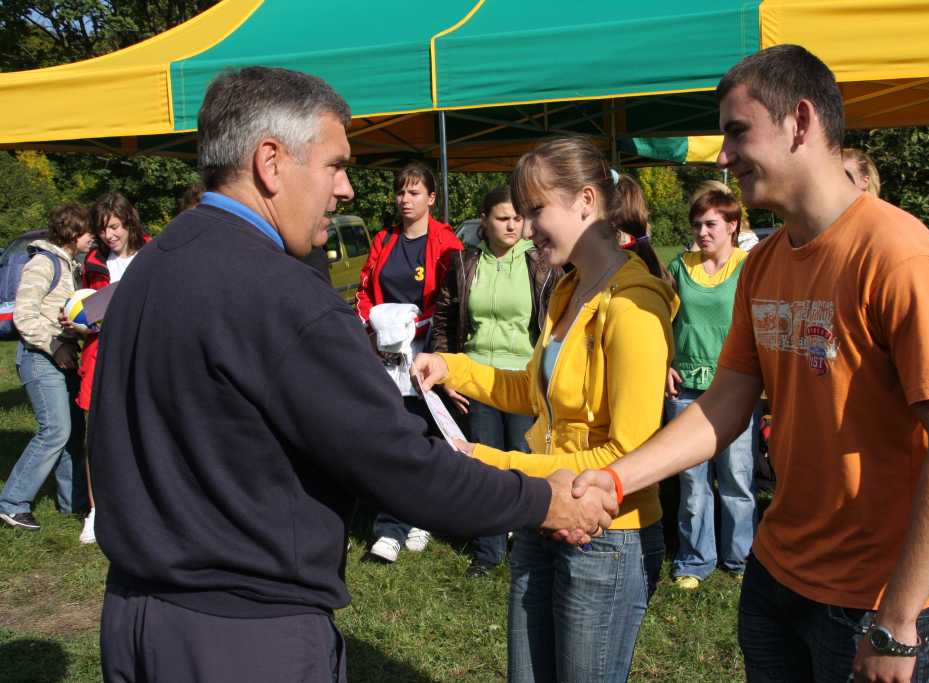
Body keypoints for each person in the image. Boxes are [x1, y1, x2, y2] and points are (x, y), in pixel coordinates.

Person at [90, 66, 615, 682]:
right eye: (335, 165)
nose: (346, 191)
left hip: (133, 620)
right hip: (245, 638)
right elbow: (400, 465)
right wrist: (542, 500)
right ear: (270, 161)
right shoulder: (286, 296)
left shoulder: (148, 270)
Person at [569, 45, 929, 683]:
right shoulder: (763, 262)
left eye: (737, 132)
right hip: (776, 572)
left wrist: (899, 621)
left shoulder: (900, 257)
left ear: (800, 122)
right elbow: (725, 404)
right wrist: (616, 479)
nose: (723, 155)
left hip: (870, 598)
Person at [415, 136, 677, 682]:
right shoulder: (567, 290)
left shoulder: (633, 306)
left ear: (585, 200)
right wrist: (452, 368)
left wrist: (493, 463)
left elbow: (627, 453)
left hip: (607, 534)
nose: (528, 228)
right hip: (544, 513)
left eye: (537, 211)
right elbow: (535, 394)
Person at [432, 185, 561, 577]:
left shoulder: (543, 264)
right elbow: (444, 320)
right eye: (503, 217)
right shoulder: (464, 263)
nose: (512, 224)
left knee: (524, 464)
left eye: (518, 218)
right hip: (476, 379)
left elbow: (556, 325)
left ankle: (526, 545)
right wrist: (448, 371)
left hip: (524, 379)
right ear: (484, 221)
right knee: (484, 467)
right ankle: (488, 551)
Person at [355, 161, 463, 563]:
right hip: (386, 355)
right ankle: (390, 527)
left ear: (431, 198)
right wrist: (373, 323)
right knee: (391, 434)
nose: (405, 200)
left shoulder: (447, 243)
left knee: (424, 436)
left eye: (414, 192)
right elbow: (366, 289)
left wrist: (419, 328)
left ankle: (419, 516)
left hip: (425, 353)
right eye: (401, 192)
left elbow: (450, 300)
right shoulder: (383, 240)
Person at [664, 187, 758, 590]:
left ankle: (741, 558)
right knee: (691, 478)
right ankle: (694, 559)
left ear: (733, 225)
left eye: (711, 224)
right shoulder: (679, 267)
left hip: (734, 386)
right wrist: (664, 362)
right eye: (697, 225)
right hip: (685, 387)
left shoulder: (749, 266)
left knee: (737, 475)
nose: (702, 232)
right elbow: (658, 320)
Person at [0, 204, 93, 531]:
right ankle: (12, 503)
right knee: (55, 431)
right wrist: (55, 347)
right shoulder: (42, 264)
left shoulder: (70, 265)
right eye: (88, 231)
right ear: (72, 232)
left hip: (62, 357)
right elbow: (23, 316)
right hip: (40, 359)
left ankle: (74, 504)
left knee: (73, 434)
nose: (93, 237)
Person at [75, 192, 149, 545]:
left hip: (145, 350)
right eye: (103, 229)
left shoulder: (153, 252)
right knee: (97, 432)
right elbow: (86, 307)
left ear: (129, 222)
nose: (109, 235)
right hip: (101, 351)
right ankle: (96, 510)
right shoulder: (92, 262)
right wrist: (76, 320)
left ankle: (143, 505)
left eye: (115, 227)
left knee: (144, 428)